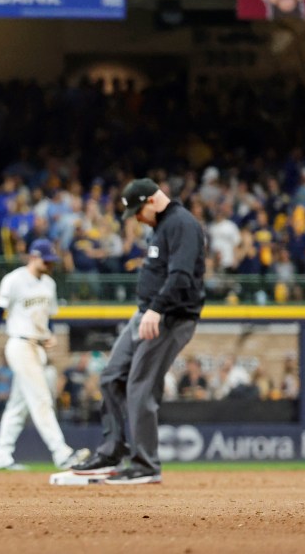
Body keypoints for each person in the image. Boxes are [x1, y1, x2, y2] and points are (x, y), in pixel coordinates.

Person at [72, 178, 206, 484]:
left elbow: (182, 276)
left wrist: (157, 310)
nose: (135, 218)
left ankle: (146, 464)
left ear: (151, 201)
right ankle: (112, 451)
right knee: (111, 377)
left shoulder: (182, 224)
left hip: (170, 316)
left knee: (140, 387)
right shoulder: (162, 227)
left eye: (137, 210)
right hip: (147, 313)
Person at [0, 239, 90, 471]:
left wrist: (49, 333)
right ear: (34, 257)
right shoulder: (14, 279)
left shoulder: (49, 283)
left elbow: (48, 315)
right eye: (46, 260)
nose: (50, 264)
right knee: (41, 398)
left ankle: (1, 455)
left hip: (38, 347)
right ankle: (61, 453)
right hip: (19, 344)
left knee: (18, 406)